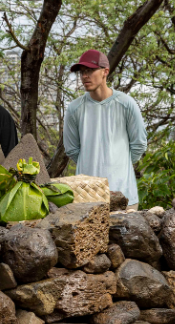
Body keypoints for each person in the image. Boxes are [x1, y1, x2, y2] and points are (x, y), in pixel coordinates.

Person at [63, 49, 147, 209]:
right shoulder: (75, 108)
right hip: (86, 197)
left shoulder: (126, 104)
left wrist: (119, 167)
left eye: (90, 70)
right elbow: (72, 149)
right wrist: (90, 164)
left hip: (124, 195)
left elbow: (139, 144)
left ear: (105, 72)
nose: (84, 76)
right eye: (82, 72)